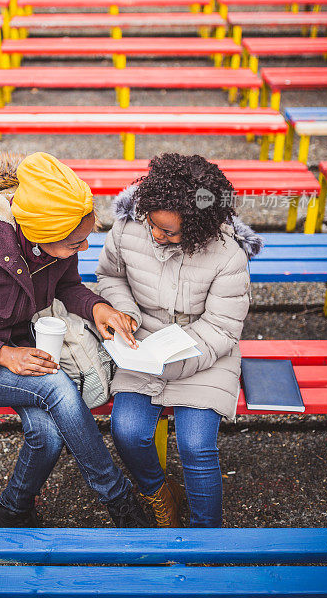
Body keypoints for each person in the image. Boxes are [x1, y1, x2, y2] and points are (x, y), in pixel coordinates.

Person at [0, 151, 147, 528]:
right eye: (76, 243)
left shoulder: (53, 234)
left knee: (48, 434)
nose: (84, 249)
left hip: (25, 349)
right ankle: (118, 498)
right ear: (42, 234)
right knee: (56, 385)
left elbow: (67, 286)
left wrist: (98, 309)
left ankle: (13, 509)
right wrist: (2, 354)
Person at [95, 152, 263, 528]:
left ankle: (207, 532)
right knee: (128, 432)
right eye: (154, 225)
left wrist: (172, 360)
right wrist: (126, 313)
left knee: (196, 446)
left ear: (200, 226)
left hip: (205, 354)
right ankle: (159, 493)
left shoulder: (227, 254)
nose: (157, 235)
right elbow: (110, 277)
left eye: (170, 232)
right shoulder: (128, 227)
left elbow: (221, 328)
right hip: (141, 343)